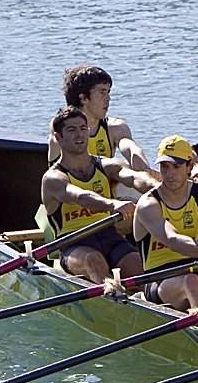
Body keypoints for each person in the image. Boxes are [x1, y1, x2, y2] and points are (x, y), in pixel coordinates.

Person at [41, 106, 157, 283]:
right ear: (58, 137)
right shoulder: (53, 178)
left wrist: (158, 186)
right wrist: (113, 204)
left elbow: (134, 178)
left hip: (110, 236)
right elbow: (80, 196)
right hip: (73, 243)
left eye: (82, 129)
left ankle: (145, 302)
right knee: (92, 260)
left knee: (136, 263)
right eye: (71, 130)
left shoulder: (107, 165)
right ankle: (111, 298)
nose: (79, 134)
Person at [132, 136, 198, 311]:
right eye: (164, 167)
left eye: (176, 166)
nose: (169, 174)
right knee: (191, 282)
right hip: (160, 279)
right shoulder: (148, 204)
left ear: (189, 167)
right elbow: (172, 240)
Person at [48, 65, 149, 170]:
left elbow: (130, 148)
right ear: (83, 98)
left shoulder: (115, 128)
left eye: (108, 92)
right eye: (102, 93)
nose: (108, 98)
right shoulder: (60, 126)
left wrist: (145, 170)